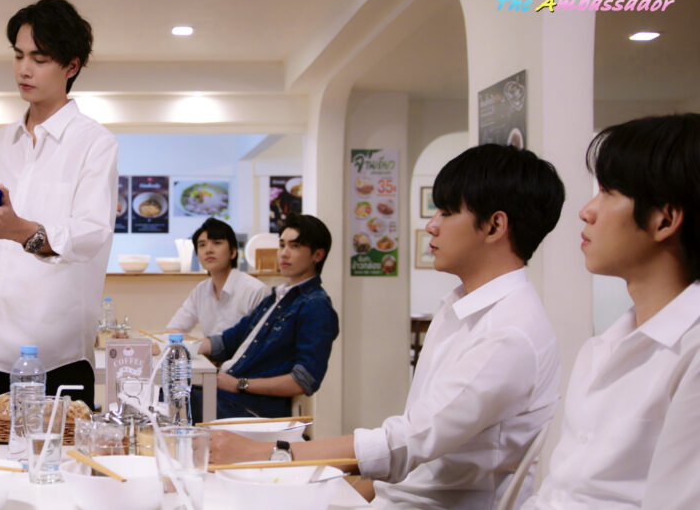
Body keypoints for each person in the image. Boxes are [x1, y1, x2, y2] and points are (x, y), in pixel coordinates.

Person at [210, 144, 565, 509]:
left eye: (446, 212)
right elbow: (406, 453)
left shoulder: (509, 332)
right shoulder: (459, 307)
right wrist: (341, 498)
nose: (432, 225)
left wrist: (270, 453)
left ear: (494, 226)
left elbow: (407, 442)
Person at [0, 0, 118, 424]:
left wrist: (20, 229)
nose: (24, 70)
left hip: (56, 353)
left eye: (39, 59)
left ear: (71, 66)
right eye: (18, 56)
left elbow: (90, 234)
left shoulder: (94, 143)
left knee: (57, 461)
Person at [526, 113, 700, 509]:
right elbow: (562, 492)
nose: (587, 211)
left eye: (607, 192)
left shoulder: (691, 352)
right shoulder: (603, 346)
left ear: (664, 219)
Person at [195, 213, 339, 419]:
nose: (284, 254)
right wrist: (178, 348)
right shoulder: (276, 297)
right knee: (169, 388)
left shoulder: (316, 306)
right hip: (226, 393)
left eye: (295, 246)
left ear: (317, 255)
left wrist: (240, 384)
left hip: (250, 408)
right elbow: (230, 340)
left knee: (172, 398)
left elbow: (304, 380)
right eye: (282, 245)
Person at [166, 218, 269, 337]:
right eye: (202, 245)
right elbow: (174, 328)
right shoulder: (200, 290)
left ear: (233, 252)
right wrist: (201, 345)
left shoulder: (255, 291)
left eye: (217, 243)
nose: (208, 250)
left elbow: (261, 340)